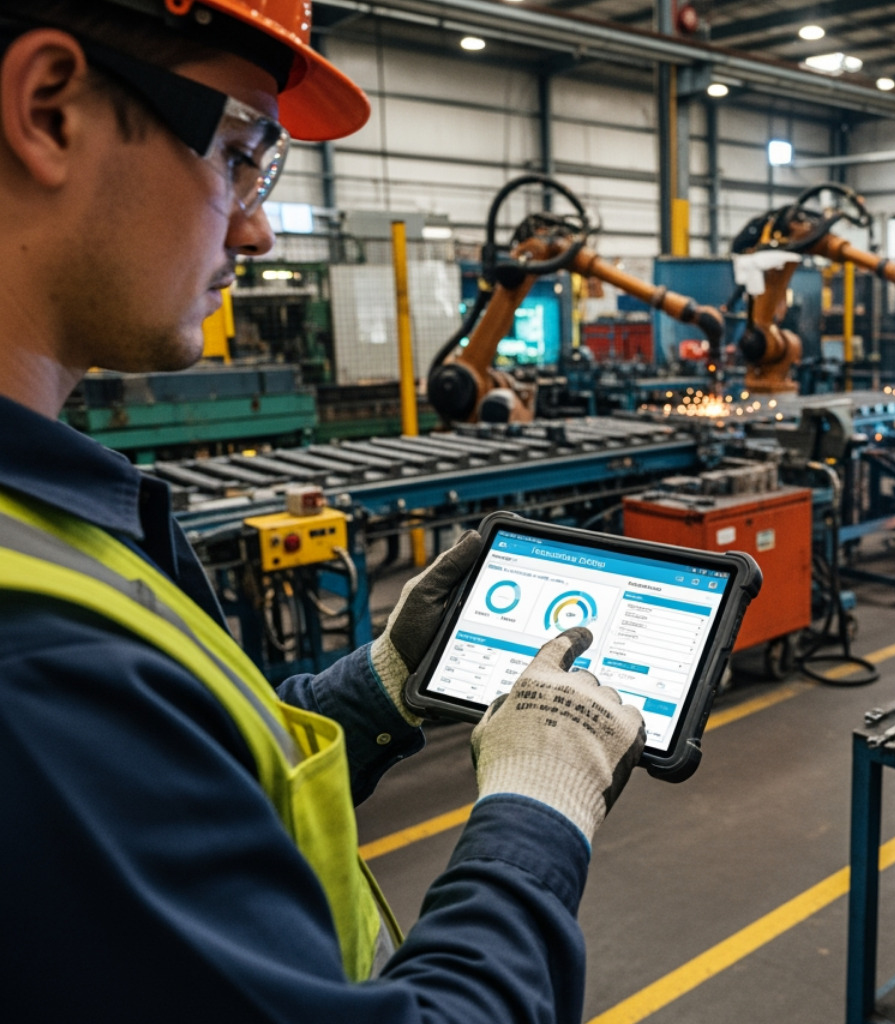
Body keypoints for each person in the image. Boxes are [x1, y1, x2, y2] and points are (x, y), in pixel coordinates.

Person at [0, 2, 646, 1020]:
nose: (253, 226)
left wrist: (380, 686)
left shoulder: (44, 528)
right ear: (47, 111)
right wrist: (539, 807)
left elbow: (193, 804)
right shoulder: (38, 663)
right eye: (237, 150)